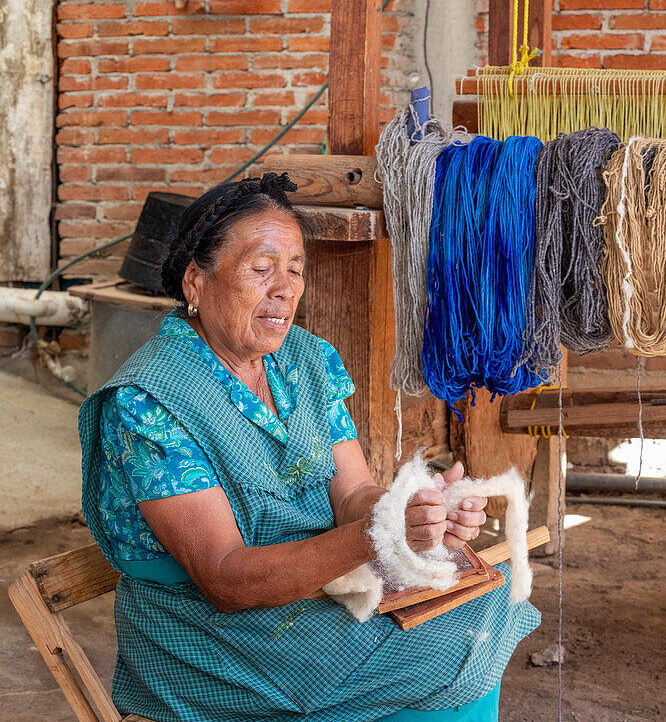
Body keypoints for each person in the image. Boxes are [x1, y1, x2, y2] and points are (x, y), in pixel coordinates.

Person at [78, 173, 540, 722]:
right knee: (450, 641)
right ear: (195, 283)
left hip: (310, 593)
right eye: (260, 268)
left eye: (295, 269)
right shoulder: (147, 402)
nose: (286, 288)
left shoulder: (307, 360)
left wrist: (413, 512)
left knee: (484, 597)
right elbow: (225, 578)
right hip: (210, 638)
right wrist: (381, 534)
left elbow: (353, 496)